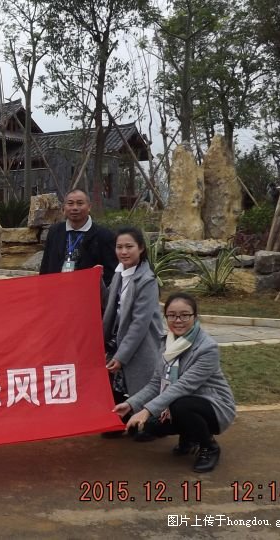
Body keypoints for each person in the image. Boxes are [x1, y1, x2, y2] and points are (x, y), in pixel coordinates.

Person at [113, 292, 237, 472]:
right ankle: (189, 436)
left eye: (185, 315)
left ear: (195, 317)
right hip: (181, 401)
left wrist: (146, 411)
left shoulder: (207, 348)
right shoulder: (167, 343)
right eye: (172, 315)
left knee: (181, 406)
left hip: (213, 405)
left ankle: (209, 447)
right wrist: (131, 404)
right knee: (149, 428)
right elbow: (156, 383)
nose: (178, 320)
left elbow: (183, 386)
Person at [101, 227, 163, 435]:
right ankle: (119, 418)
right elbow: (110, 303)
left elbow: (139, 323)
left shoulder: (147, 280)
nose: (124, 252)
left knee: (141, 382)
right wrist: (97, 280)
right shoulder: (120, 273)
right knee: (115, 382)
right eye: (119, 247)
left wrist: (122, 356)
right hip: (117, 338)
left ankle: (148, 422)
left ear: (141, 248)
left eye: (129, 247)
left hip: (141, 343)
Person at [39, 189, 118, 286]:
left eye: (80, 203)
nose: (75, 208)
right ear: (64, 207)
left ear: (89, 207)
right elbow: (45, 265)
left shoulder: (104, 235)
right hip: (56, 289)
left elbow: (111, 272)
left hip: (87, 291)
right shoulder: (55, 231)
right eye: (70, 203)